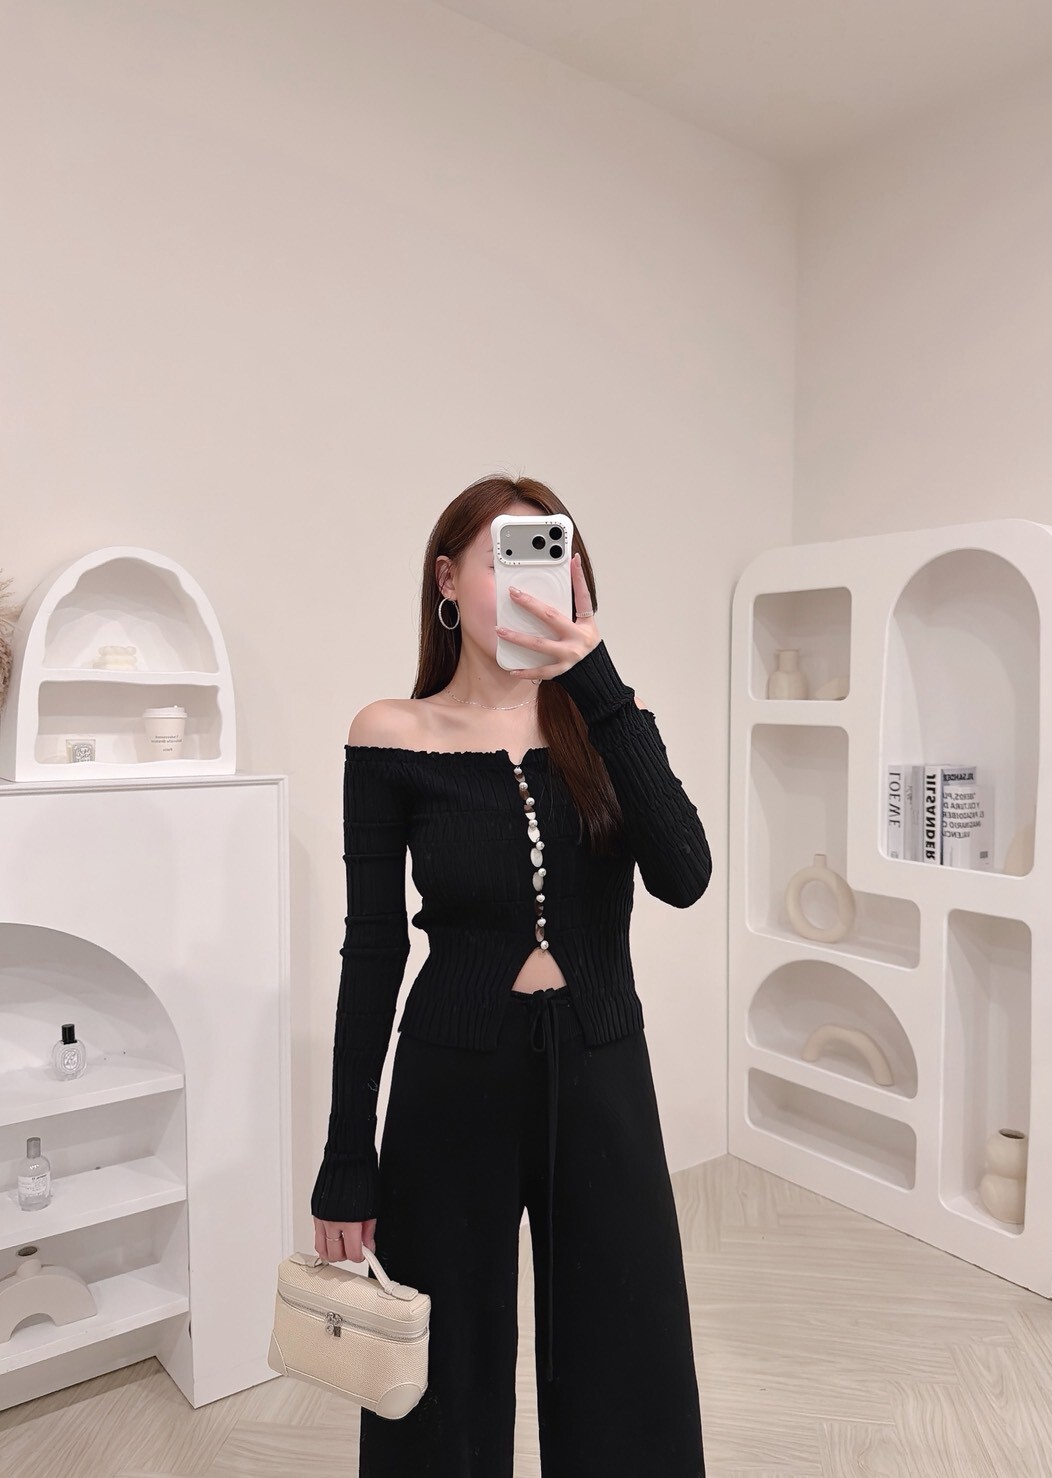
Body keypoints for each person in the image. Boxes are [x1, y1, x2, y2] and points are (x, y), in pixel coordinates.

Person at [310, 474, 712, 1477]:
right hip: (451, 1080)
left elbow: (685, 875)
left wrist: (599, 682)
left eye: (547, 556)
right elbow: (373, 949)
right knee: (440, 1370)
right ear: (447, 579)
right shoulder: (391, 734)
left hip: (602, 1071)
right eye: (502, 558)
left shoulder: (608, 725)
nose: (528, 582)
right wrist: (347, 1150)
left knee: (628, 1351)